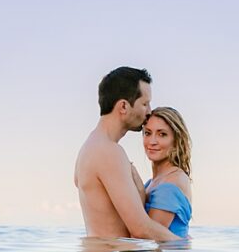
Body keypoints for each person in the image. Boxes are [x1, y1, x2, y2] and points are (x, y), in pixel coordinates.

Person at [75, 67, 181, 241]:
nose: (149, 112)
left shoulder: (88, 147)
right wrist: (183, 245)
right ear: (124, 106)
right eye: (145, 104)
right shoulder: (108, 151)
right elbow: (141, 229)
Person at [142, 107, 193, 238]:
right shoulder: (152, 183)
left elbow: (147, 236)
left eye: (162, 134)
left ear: (176, 140)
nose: (152, 142)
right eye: (147, 133)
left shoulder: (171, 182)